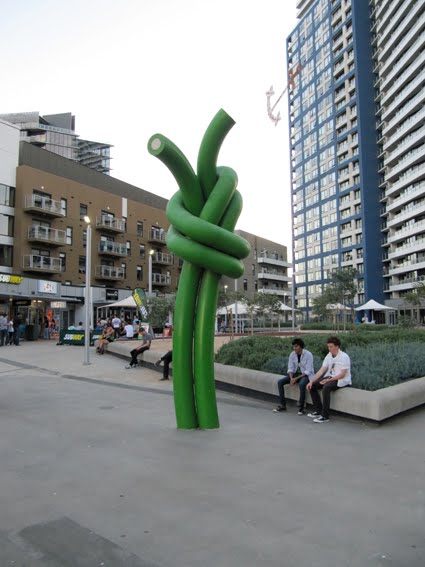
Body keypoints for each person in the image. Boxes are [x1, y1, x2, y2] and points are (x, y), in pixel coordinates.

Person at [307, 336, 351, 423]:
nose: (329, 349)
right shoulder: (329, 356)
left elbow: (342, 374)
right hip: (330, 377)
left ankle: (325, 416)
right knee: (313, 385)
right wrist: (311, 381)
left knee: (326, 387)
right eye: (328, 347)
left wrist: (328, 380)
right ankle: (318, 410)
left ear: (337, 346)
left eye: (331, 347)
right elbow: (321, 370)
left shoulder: (344, 357)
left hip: (341, 380)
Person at [273, 338, 315, 415]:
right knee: (280, 382)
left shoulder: (308, 355)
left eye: (296, 346)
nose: (294, 348)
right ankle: (282, 405)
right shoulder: (292, 354)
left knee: (302, 384)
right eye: (293, 346)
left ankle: (301, 408)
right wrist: (292, 378)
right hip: (295, 374)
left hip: (305, 375)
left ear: (301, 346)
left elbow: (308, 371)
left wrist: (296, 379)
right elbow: (290, 368)